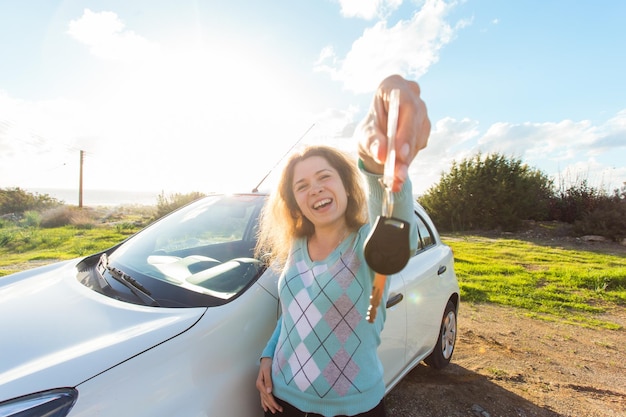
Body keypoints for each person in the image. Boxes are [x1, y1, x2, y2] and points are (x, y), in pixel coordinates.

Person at [255, 74, 431, 417]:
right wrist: (267, 354)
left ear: (347, 187)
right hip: (281, 400)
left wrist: (377, 164)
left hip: (353, 409)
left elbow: (399, 233)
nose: (315, 189)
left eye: (324, 177)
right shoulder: (297, 244)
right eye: (302, 186)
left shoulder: (366, 244)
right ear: (294, 202)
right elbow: (294, 313)